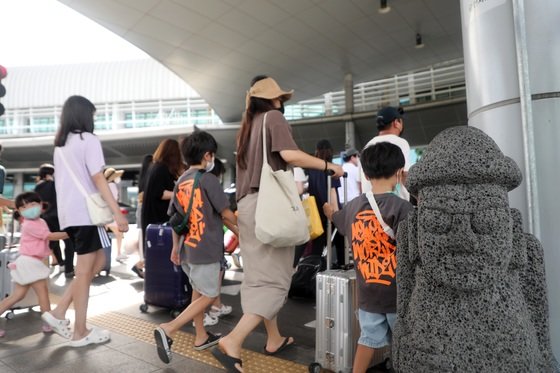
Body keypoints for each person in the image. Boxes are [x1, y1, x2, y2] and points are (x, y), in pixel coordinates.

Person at [212, 75, 343, 373]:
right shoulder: (273, 118)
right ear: (272, 99)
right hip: (268, 207)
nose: (282, 102)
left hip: (247, 207)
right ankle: (233, 341)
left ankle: (274, 338)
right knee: (275, 281)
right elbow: (289, 156)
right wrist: (328, 166)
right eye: (280, 98)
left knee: (259, 278)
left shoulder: (246, 129)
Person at [41, 95, 128, 347]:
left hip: (70, 215)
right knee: (86, 271)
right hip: (88, 214)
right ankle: (80, 331)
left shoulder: (60, 146)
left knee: (88, 269)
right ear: (84, 115)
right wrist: (116, 213)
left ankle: (59, 314)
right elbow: (98, 178)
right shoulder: (88, 140)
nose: (94, 119)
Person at [323, 142, 413, 373]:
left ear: (365, 172)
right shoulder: (402, 207)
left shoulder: (353, 206)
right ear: (398, 172)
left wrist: (330, 213)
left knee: (368, 339)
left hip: (368, 292)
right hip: (397, 292)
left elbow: (339, 220)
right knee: (403, 342)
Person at [153, 131, 238, 363]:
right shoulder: (209, 180)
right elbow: (227, 213)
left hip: (187, 250)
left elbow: (175, 221)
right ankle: (169, 328)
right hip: (206, 249)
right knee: (210, 295)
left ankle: (201, 335)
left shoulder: (181, 181)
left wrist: (174, 249)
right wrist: (245, 234)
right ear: (208, 155)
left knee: (198, 292)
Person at [0, 192, 69, 338]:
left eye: (32, 204)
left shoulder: (39, 222)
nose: (29, 208)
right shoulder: (30, 224)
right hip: (30, 263)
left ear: (40, 205)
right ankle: (48, 323)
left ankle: (48, 322)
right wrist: (69, 233)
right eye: (24, 207)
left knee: (17, 296)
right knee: (42, 294)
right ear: (19, 211)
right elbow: (49, 236)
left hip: (28, 262)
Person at [359, 106, 411, 201]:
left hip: (369, 204)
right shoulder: (400, 143)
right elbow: (404, 175)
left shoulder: (368, 146)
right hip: (395, 206)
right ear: (396, 122)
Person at [306, 139, 344, 266]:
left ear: (317, 151)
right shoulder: (332, 169)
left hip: (317, 213)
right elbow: (333, 193)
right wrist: (338, 216)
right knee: (340, 242)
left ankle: (312, 271)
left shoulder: (312, 170)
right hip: (329, 212)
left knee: (317, 246)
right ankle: (341, 267)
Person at [34, 163, 76, 278]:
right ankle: (69, 269)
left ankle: (60, 262)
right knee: (68, 241)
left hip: (46, 218)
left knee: (52, 241)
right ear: (50, 174)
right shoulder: (57, 184)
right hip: (61, 217)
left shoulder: (38, 187)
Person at [140, 139, 183, 248]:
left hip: (152, 218)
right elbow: (160, 193)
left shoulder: (155, 167)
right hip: (159, 219)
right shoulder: (161, 169)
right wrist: (181, 193)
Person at [131, 154, 152, 278]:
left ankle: (141, 264)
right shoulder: (150, 177)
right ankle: (140, 264)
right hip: (145, 210)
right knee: (146, 239)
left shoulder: (143, 178)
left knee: (144, 238)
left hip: (141, 208)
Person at [103, 167, 126, 262]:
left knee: (104, 236)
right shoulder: (112, 185)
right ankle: (119, 253)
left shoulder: (104, 186)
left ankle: (105, 256)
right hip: (111, 214)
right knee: (119, 234)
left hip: (104, 214)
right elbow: (113, 201)